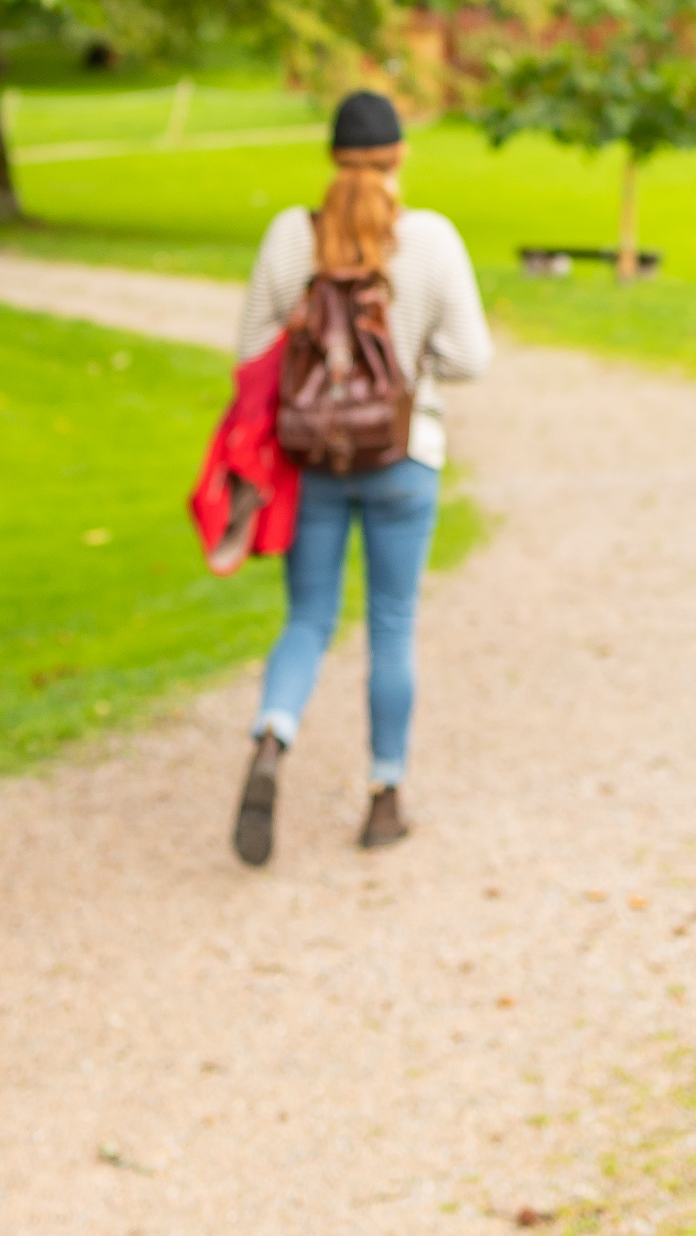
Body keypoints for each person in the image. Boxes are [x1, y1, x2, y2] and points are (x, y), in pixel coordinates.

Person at [228, 90, 490, 864]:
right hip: (403, 458)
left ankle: (274, 734)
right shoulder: (430, 238)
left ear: (332, 155)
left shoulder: (291, 234)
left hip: (311, 460)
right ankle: (384, 794)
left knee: (308, 617)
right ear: (400, 154)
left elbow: (250, 350)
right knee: (392, 622)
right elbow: (471, 356)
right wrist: (411, 361)